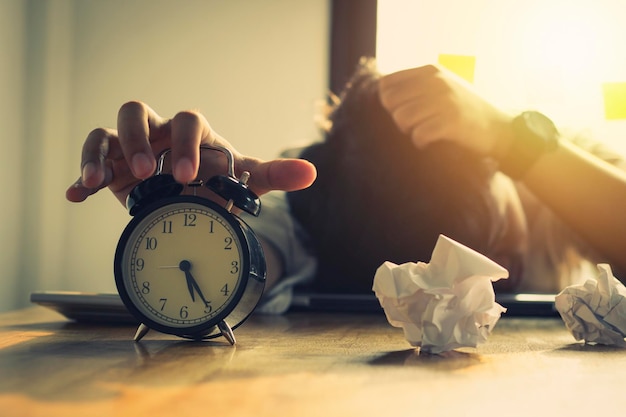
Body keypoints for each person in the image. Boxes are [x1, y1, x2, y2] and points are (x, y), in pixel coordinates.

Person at [67, 58, 626, 314]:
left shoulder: (548, 167)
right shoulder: (314, 207)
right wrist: (193, 224)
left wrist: (512, 139)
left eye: (498, 232)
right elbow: (261, 258)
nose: (499, 267)